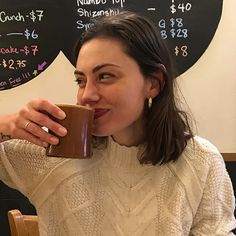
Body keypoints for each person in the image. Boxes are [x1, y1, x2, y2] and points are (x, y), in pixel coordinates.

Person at [0, 11, 235, 236]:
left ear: (153, 84)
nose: (86, 95)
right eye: (81, 80)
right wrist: (6, 124)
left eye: (105, 76)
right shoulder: (54, 153)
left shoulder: (200, 162)